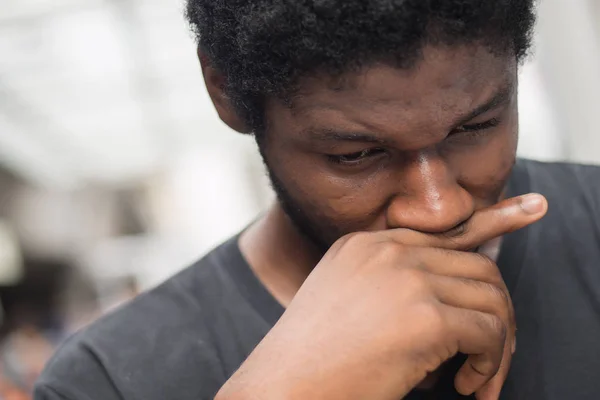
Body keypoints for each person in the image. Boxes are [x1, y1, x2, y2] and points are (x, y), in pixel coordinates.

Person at [34, 1, 600, 399]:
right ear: (226, 92)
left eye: (476, 125)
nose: (439, 208)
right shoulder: (109, 381)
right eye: (356, 156)